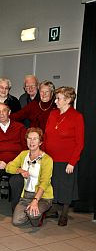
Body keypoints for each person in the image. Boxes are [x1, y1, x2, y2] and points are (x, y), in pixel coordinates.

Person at [44, 86, 84, 226]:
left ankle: (65, 214)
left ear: (68, 100)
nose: (55, 101)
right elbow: (47, 136)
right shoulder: (53, 114)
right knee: (53, 185)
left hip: (67, 160)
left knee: (66, 186)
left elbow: (79, 143)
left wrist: (72, 162)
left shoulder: (77, 117)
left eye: (58, 98)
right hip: (50, 158)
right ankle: (53, 209)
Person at [6, 128, 53, 227]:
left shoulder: (47, 159)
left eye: (35, 139)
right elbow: (9, 167)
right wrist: (20, 170)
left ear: (40, 142)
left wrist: (35, 200)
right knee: (16, 222)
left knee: (32, 214)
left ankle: (37, 215)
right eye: (29, 138)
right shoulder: (23, 154)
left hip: (42, 197)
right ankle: (31, 213)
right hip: (26, 196)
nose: (31, 141)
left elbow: (45, 183)